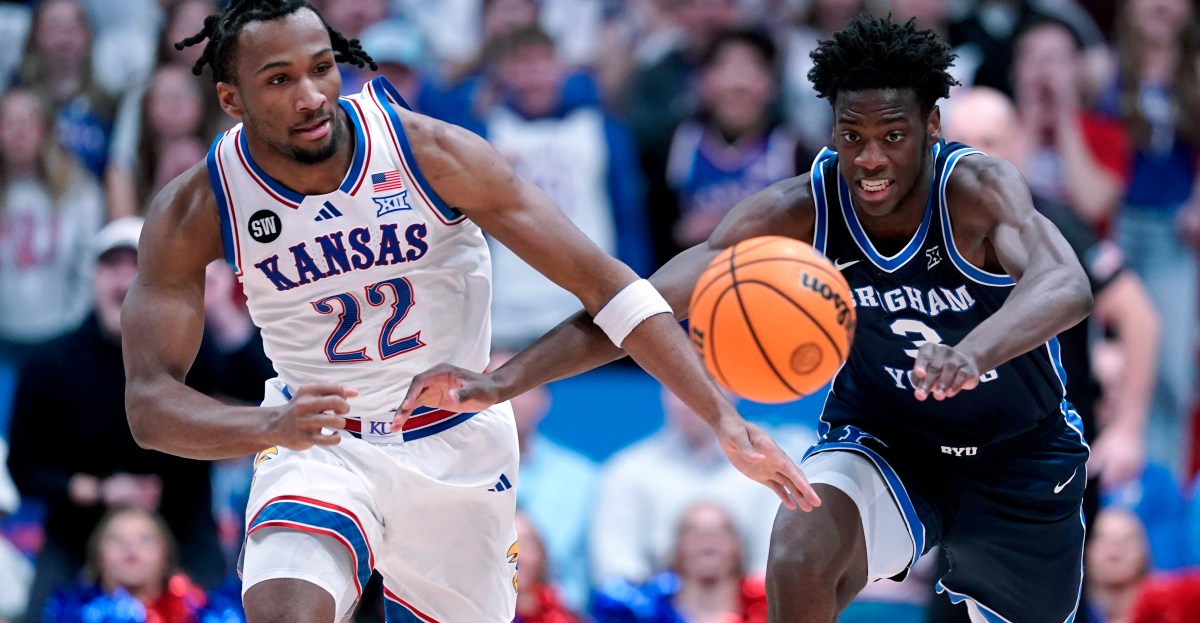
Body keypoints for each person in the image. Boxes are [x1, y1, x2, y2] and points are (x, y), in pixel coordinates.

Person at [120, 3, 812, 623]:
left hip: (452, 435)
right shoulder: (196, 207)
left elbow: (609, 286)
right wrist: (268, 424)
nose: (310, 96)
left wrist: (723, 416)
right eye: (278, 80)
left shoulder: (429, 151)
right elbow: (150, 407)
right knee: (283, 608)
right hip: (319, 439)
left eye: (322, 68)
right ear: (230, 99)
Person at [401, 13, 1095, 622]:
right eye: (851, 135)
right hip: (890, 438)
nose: (871, 159)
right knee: (799, 546)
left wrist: (972, 352)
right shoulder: (795, 211)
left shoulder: (974, 190)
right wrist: (502, 382)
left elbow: (1066, 282)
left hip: (1019, 453)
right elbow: (632, 303)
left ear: (932, 126)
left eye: (892, 135)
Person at [8, 217, 227, 623]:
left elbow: (254, 382)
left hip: (180, 520)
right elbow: (23, 468)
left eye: (137, 267)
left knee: (227, 610)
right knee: (38, 614)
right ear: (92, 278)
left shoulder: (196, 348)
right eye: (112, 265)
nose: (124, 277)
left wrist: (218, 313)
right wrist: (99, 490)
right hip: (80, 526)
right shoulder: (49, 364)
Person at [41, 507, 245, 623]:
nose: (131, 547)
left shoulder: (204, 614)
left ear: (165, 555)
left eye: (145, 539)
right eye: (116, 539)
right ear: (98, 555)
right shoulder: (67, 615)